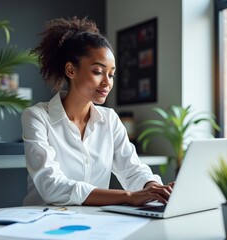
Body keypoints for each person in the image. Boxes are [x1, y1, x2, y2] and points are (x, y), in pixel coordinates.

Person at [21, 16, 173, 207]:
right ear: (71, 70)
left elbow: (132, 169)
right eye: (98, 72)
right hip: (43, 224)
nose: (107, 82)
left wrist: (153, 187)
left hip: (94, 225)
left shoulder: (110, 120)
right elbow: (51, 186)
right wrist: (127, 196)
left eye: (111, 74)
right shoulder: (37, 116)